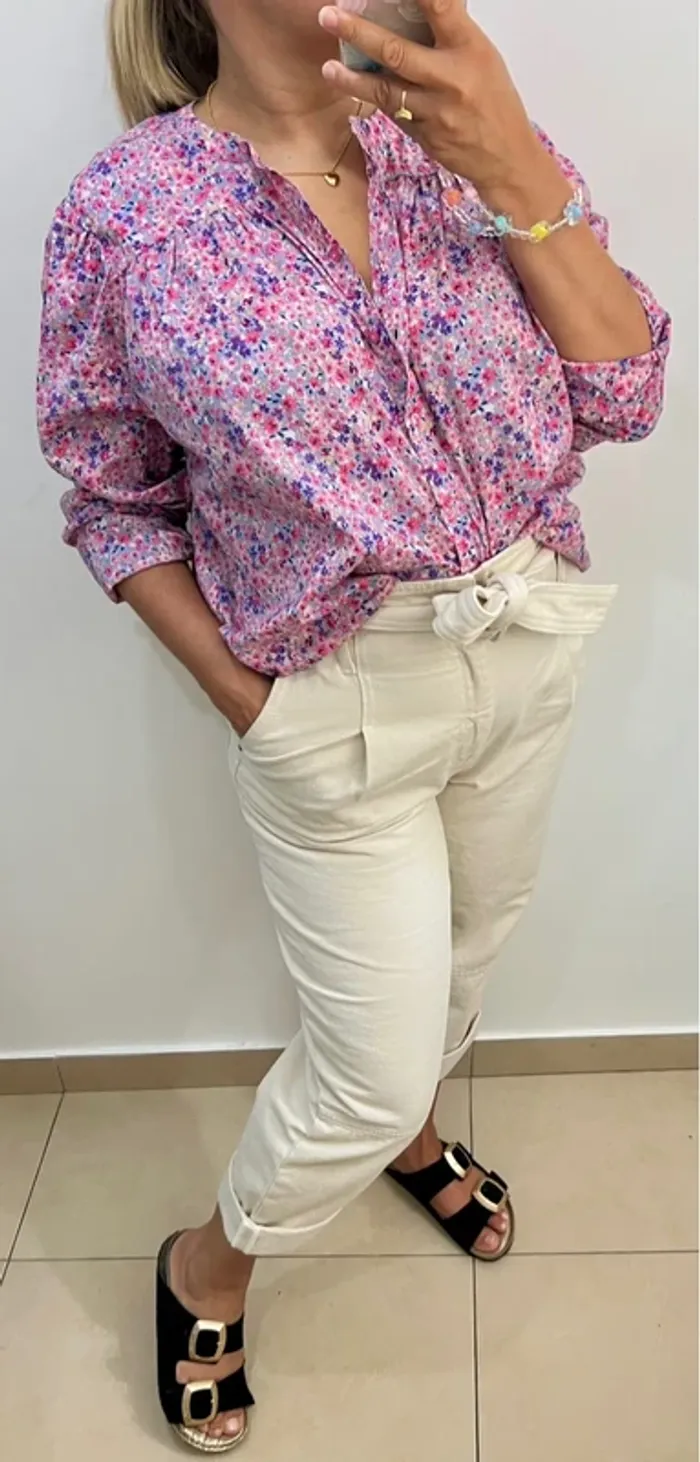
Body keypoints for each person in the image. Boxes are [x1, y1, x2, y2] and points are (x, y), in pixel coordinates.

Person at [37, 0, 669, 1450]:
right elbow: (110, 490)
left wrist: (511, 161)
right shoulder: (127, 214)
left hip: (527, 642)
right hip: (334, 698)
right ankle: (210, 1261)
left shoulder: (466, 137)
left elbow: (627, 390)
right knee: (370, 1058)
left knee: (468, 958)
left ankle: (410, 1134)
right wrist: (254, 707)